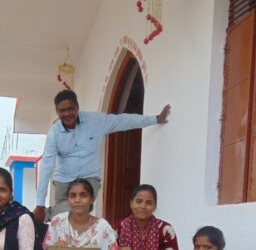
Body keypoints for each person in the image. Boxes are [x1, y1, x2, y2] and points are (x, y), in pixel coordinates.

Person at [33, 90, 172, 222]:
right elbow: (46, 166)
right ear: (57, 112)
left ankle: (49, 214)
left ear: (77, 107)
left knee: (80, 208)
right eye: (62, 111)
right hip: (63, 179)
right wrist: (39, 203)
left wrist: (155, 119)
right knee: (63, 221)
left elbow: (123, 121)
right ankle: (62, 242)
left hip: (90, 177)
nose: (67, 114)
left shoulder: (95, 121)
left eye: (70, 109)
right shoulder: (54, 133)